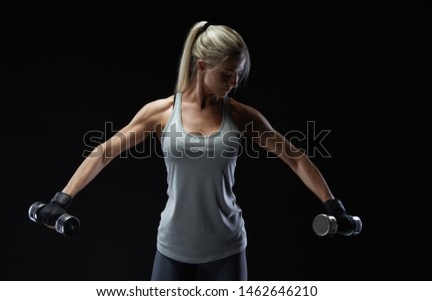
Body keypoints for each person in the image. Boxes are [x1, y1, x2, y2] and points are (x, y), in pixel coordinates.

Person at [34, 21, 357, 281]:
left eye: (239, 74)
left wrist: (333, 204)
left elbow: (295, 157)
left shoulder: (242, 115)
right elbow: (104, 152)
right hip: (173, 247)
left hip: (227, 249)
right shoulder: (161, 113)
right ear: (202, 66)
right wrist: (62, 199)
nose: (234, 82)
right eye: (227, 74)